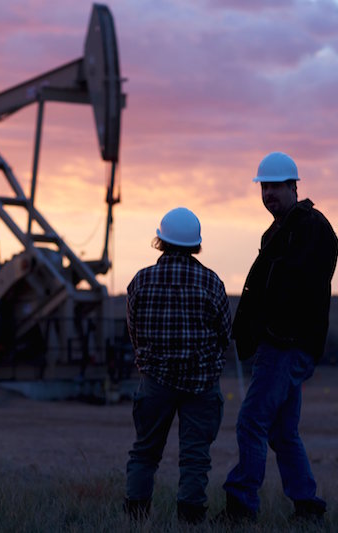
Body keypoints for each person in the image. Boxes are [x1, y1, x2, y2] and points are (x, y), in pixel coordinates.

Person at [220, 151, 338, 522]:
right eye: (264, 187)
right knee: (282, 431)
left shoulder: (309, 225)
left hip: (286, 345)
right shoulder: (280, 230)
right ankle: (307, 505)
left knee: (251, 421)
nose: (269, 193)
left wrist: (274, 325)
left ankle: (241, 506)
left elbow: (299, 280)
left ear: (293, 186)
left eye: (275, 186)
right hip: (287, 343)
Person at [124, 207, 231, 525]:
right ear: (196, 244)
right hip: (201, 384)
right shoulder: (211, 283)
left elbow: (135, 333)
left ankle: (136, 519)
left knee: (145, 451)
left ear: (161, 241)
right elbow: (225, 334)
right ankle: (191, 520)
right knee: (195, 457)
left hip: (155, 382)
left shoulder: (140, 282)